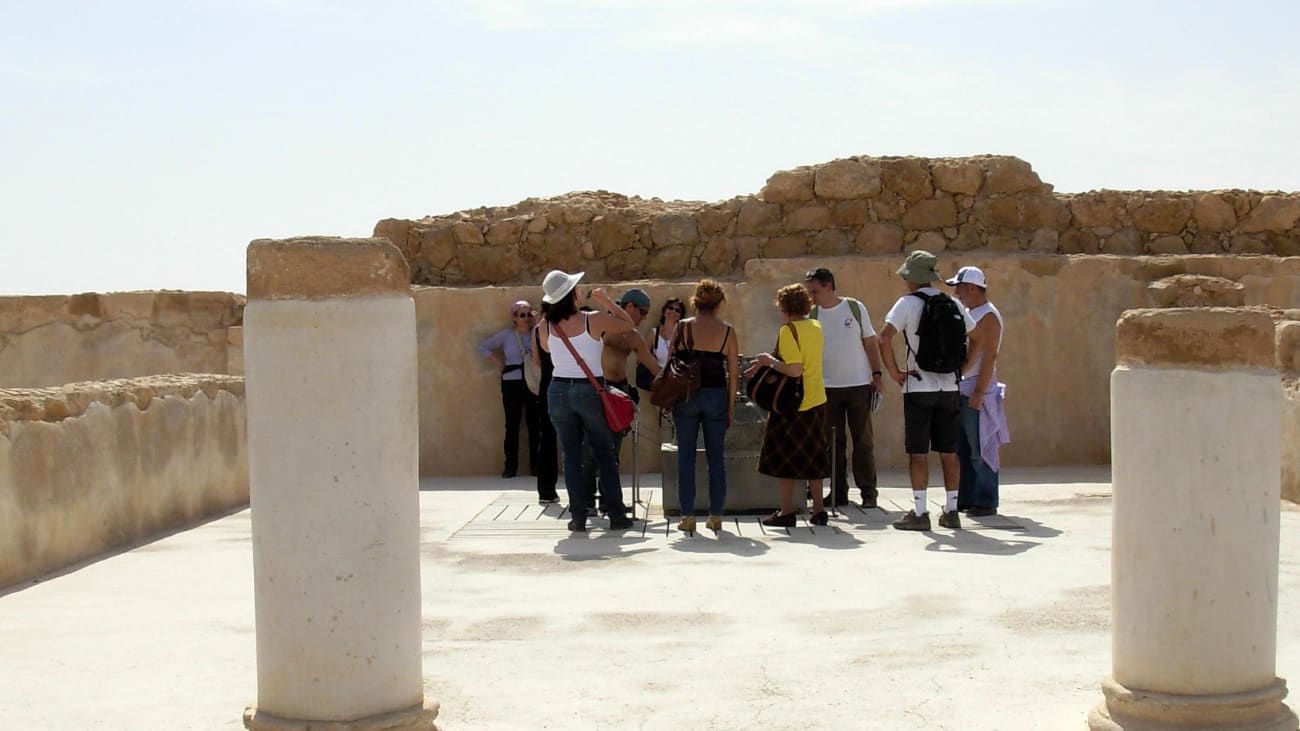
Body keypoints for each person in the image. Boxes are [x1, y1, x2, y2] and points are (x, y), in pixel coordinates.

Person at [878, 250, 976, 532]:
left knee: (918, 452)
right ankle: (952, 510)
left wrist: (895, 372)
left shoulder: (907, 303)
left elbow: (884, 337)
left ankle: (920, 512)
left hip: (918, 386)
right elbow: (978, 337)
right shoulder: (953, 303)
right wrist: (964, 369)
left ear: (911, 277)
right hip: (949, 387)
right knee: (949, 451)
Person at [537, 270, 637, 532]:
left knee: (571, 455)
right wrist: (606, 300)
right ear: (573, 294)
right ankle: (615, 513)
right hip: (588, 389)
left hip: (557, 389)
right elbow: (627, 324)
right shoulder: (592, 320)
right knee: (604, 453)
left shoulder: (545, 325)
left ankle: (578, 515)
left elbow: (548, 349)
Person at [745, 283, 829, 528]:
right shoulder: (816, 326)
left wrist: (768, 361)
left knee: (785, 458)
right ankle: (819, 510)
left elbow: (793, 369)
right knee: (813, 456)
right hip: (817, 399)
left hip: (793, 403)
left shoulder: (788, 331)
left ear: (784, 307)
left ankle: (787, 510)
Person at [804, 267, 885, 509]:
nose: (811, 296)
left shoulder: (854, 308)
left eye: (815, 291)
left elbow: (870, 341)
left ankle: (868, 492)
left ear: (829, 286)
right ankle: (838, 492)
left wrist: (876, 374)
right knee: (833, 442)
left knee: (863, 440)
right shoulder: (813, 315)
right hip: (827, 387)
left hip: (858, 384)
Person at [580, 288, 662, 511]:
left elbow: (652, 365)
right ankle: (586, 500)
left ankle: (609, 500)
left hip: (619, 391)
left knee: (612, 449)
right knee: (589, 448)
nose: (644, 317)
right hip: (597, 388)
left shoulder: (634, 336)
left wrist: (674, 380)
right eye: (642, 312)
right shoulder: (601, 326)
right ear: (629, 307)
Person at [670, 280, 739, 533]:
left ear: (695, 302)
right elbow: (733, 373)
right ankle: (716, 515)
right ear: (719, 303)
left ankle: (687, 515)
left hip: (687, 395)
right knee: (715, 458)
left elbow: (671, 364)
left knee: (685, 456)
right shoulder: (727, 331)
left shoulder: (682, 327)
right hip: (716, 395)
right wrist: (730, 406)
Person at [946, 266, 1010, 517]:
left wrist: (980, 392)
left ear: (972, 288)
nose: (957, 293)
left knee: (980, 448)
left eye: (960, 288)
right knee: (963, 447)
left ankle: (985, 499)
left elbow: (989, 356)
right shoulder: (971, 313)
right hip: (963, 386)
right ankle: (967, 496)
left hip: (975, 388)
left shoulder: (989, 316)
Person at [477, 300, 541, 479]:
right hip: (512, 381)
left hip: (532, 382)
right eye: (522, 315)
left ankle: (536, 465)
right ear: (514, 318)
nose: (526, 318)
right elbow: (483, 347)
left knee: (535, 424)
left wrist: (537, 325)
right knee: (512, 425)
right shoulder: (507, 335)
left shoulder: (537, 332)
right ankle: (510, 466)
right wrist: (500, 364)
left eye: (529, 314)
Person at [531, 302, 560, 505]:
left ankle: (546, 490)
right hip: (565, 381)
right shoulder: (567, 325)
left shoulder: (538, 329)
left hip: (546, 385)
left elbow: (536, 361)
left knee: (547, 439)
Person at [637, 297, 685, 392]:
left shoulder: (683, 335)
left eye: (677, 310)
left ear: (680, 316)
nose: (673, 312)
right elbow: (641, 357)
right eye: (670, 308)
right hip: (658, 382)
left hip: (676, 383)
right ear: (664, 311)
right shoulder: (654, 333)